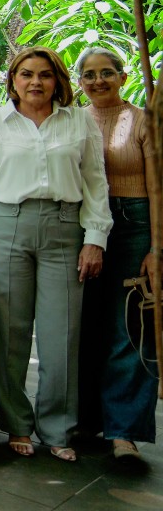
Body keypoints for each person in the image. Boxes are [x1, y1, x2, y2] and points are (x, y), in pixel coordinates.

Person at [0, 46, 112, 462]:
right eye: (26, 74)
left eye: (44, 75)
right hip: (7, 226)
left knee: (61, 333)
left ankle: (58, 427)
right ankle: (17, 424)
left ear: (58, 80)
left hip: (66, 229)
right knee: (8, 332)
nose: (35, 82)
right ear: (12, 80)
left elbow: (96, 184)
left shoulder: (80, 122)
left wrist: (95, 237)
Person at [75, 47, 159, 462]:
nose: (97, 81)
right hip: (81, 226)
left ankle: (123, 431)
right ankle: (85, 419)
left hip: (135, 223)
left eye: (106, 73)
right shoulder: (72, 119)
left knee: (128, 324)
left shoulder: (144, 120)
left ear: (123, 77)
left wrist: (157, 248)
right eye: (88, 75)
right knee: (84, 324)